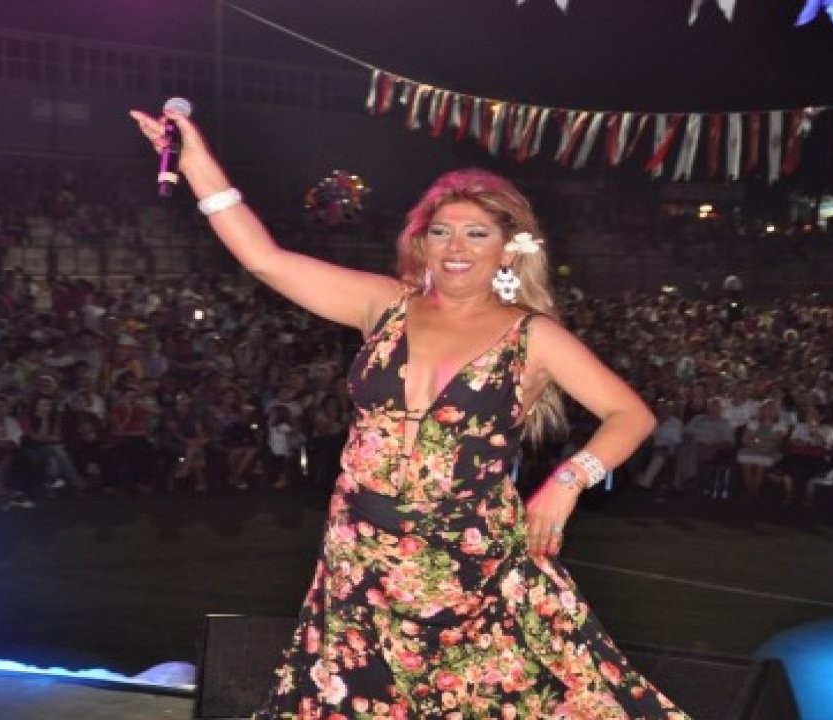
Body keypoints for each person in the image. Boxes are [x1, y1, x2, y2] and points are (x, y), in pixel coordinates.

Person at [130, 107, 688, 718]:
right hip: (361, 552)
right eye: (441, 232)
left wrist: (567, 481)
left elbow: (630, 414)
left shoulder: (533, 336)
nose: (456, 248)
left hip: (470, 563)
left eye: (477, 234)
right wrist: (196, 163)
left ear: (508, 249)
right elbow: (265, 259)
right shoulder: (383, 305)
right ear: (421, 242)